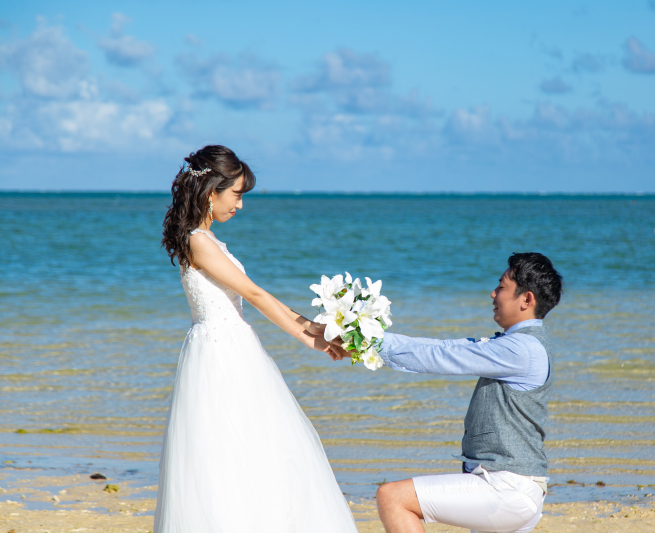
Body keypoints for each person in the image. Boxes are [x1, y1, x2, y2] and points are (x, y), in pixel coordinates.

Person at [155, 145, 357, 532]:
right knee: (229, 451)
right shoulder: (199, 242)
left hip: (229, 348)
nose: (241, 205)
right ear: (211, 191)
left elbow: (255, 295)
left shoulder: (207, 240)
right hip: (221, 356)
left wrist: (314, 330)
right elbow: (255, 294)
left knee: (256, 450)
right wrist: (310, 333)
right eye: (236, 194)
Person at [369, 253, 562, 533]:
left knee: (392, 497)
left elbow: (442, 355)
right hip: (515, 486)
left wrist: (367, 343)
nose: (493, 293)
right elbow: (447, 347)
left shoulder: (521, 349)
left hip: (506, 487)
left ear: (526, 299)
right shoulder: (521, 345)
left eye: (502, 287)